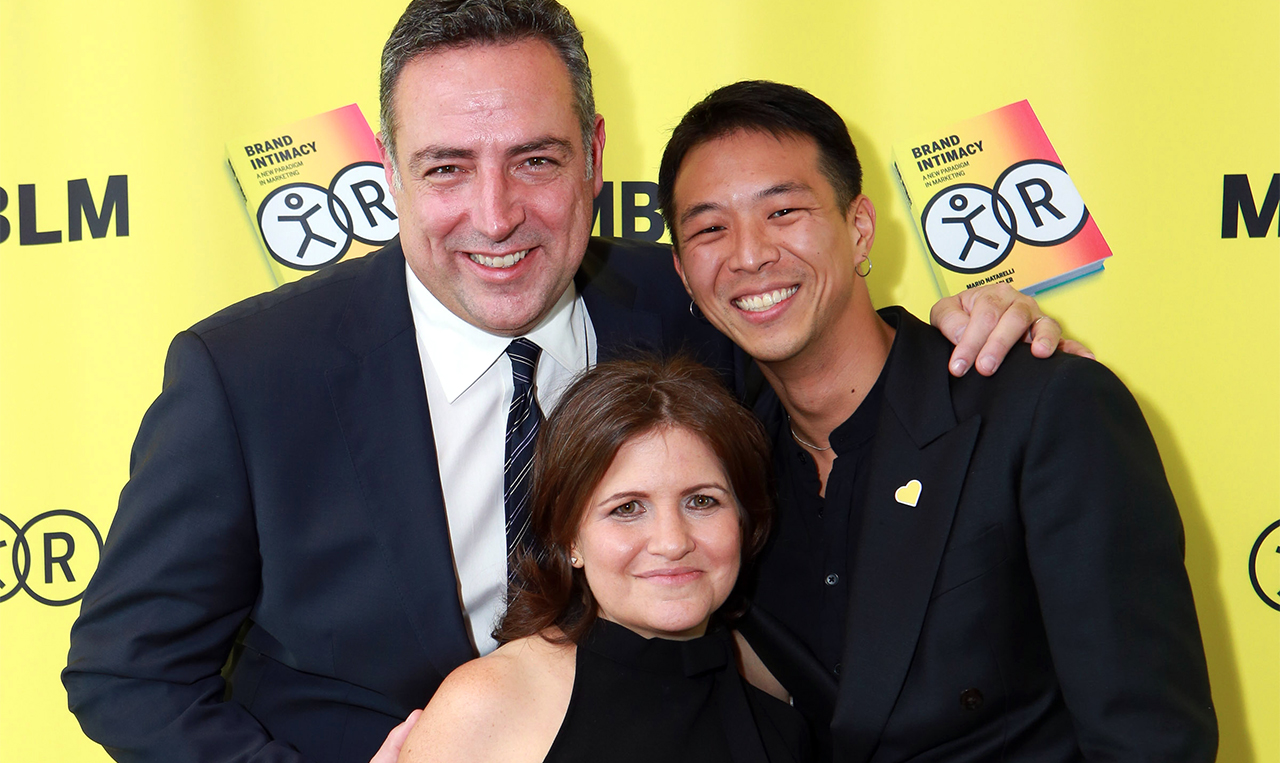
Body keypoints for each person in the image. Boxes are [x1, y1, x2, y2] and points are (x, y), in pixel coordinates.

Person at [63, 3, 1076, 761]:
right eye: (447, 167)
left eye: (535, 160)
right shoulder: (246, 376)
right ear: (386, 172)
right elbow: (127, 670)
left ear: (594, 156)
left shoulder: (689, 302)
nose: (496, 215)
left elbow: (829, 364)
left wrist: (966, 337)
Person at [656, 80, 1217, 761]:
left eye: (784, 211)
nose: (749, 254)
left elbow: (1148, 740)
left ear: (858, 228)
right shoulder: (722, 468)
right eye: (710, 228)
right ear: (686, 274)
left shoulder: (1042, 410)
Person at [400, 355, 810, 763]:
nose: (671, 542)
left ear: (743, 519)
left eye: (702, 501)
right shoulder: (485, 707)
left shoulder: (780, 722)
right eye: (627, 508)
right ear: (569, 536)